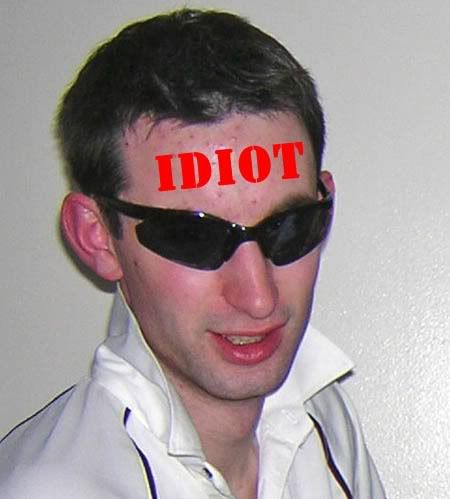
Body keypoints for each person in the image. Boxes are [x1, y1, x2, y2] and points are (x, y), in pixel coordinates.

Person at [0, 8, 385, 499]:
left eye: (289, 226)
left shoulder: (319, 416)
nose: (259, 298)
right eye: (194, 237)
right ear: (97, 236)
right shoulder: (53, 489)